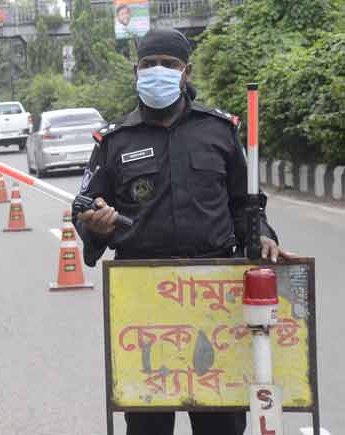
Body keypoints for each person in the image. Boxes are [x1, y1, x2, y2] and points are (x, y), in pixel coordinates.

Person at [73, 29, 292, 435]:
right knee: (149, 423)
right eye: (148, 64)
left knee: (222, 422)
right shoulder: (114, 141)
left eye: (169, 65)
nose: (158, 72)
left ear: (186, 71)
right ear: (135, 71)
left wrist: (263, 235)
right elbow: (85, 207)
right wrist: (96, 224)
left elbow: (246, 206)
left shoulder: (220, 131)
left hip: (213, 295)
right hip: (144, 301)